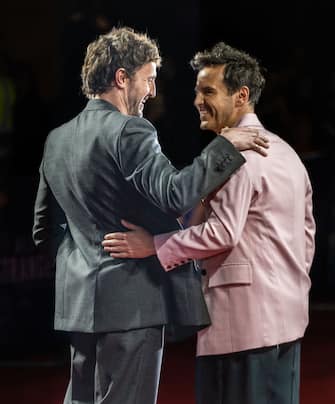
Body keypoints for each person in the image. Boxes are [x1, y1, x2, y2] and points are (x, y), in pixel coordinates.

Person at [32, 27, 269, 404]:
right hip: (132, 306)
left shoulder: (57, 138)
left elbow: (44, 230)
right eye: (149, 80)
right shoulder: (131, 131)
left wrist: (82, 266)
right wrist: (223, 146)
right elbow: (175, 194)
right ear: (121, 78)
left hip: (79, 306)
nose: (152, 92)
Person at [102, 41, 316, 404]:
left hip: (242, 326)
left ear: (241, 96)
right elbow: (306, 236)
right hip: (288, 321)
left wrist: (153, 246)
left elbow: (222, 233)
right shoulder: (287, 152)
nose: (198, 100)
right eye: (197, 90)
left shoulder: (238, 157)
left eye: (209, 91)